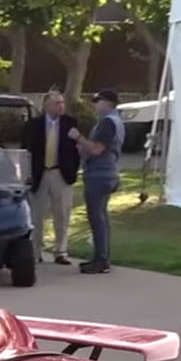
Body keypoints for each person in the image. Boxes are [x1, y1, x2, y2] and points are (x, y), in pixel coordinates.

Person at [22, 91, 81, 264]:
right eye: (56, 103)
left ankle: (60, 251)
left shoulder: (70, 123)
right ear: (46, 105)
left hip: (61, 174)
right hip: (39, 174)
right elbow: (26, 151)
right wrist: (27, 174)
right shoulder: (34, 125)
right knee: (36, 216)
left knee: (62, 214)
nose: (60, 106)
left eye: (62, 102)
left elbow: (76, 150)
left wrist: (73, 171)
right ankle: (35, 251)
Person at [75, 89, 125, 273]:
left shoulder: (108, 123)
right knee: (101, 218)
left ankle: (101, 260)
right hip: (108, 172)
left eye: (98, 101)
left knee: (97, 218)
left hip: (99, 174)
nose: (95, 105)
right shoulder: (117, 121)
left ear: (108, 103)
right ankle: (101, 257)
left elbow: (97, 149)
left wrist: (79, 138)